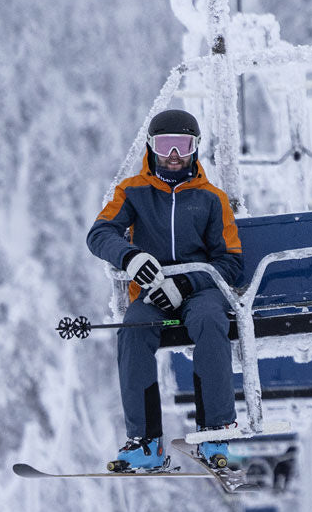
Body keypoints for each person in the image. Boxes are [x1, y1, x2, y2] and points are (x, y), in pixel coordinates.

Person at [87, 108, 244, 472]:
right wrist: (130, 258)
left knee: (209, 320)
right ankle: (145, 441)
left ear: (195, 148)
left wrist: (188, 281)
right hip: (152, 292)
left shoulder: (211, 199)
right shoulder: (133, 192)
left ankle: (215, 429)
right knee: (134, 330)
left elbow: (231, 261)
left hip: (200, 291)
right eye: (165, 146)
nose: (174, 156)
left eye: (182, 146)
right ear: (151, 147)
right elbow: (99, 234)